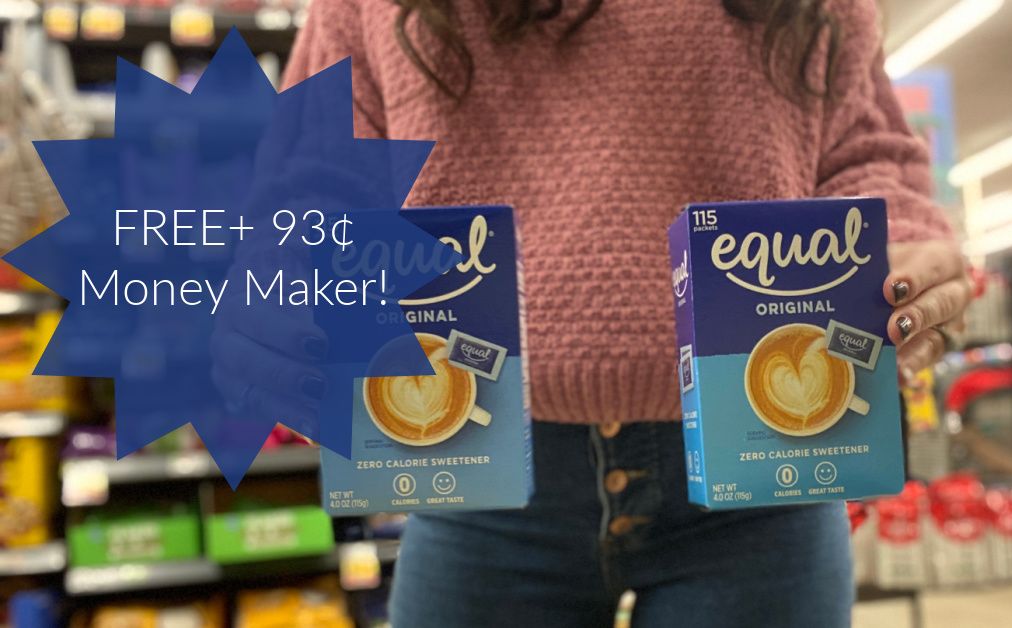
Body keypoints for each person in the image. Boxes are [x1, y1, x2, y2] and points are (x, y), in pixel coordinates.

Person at [270, 0, 971, 625]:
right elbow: (313, 173)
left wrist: (902, 244)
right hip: (472, 465)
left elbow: (866, 152)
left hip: (764, 467)